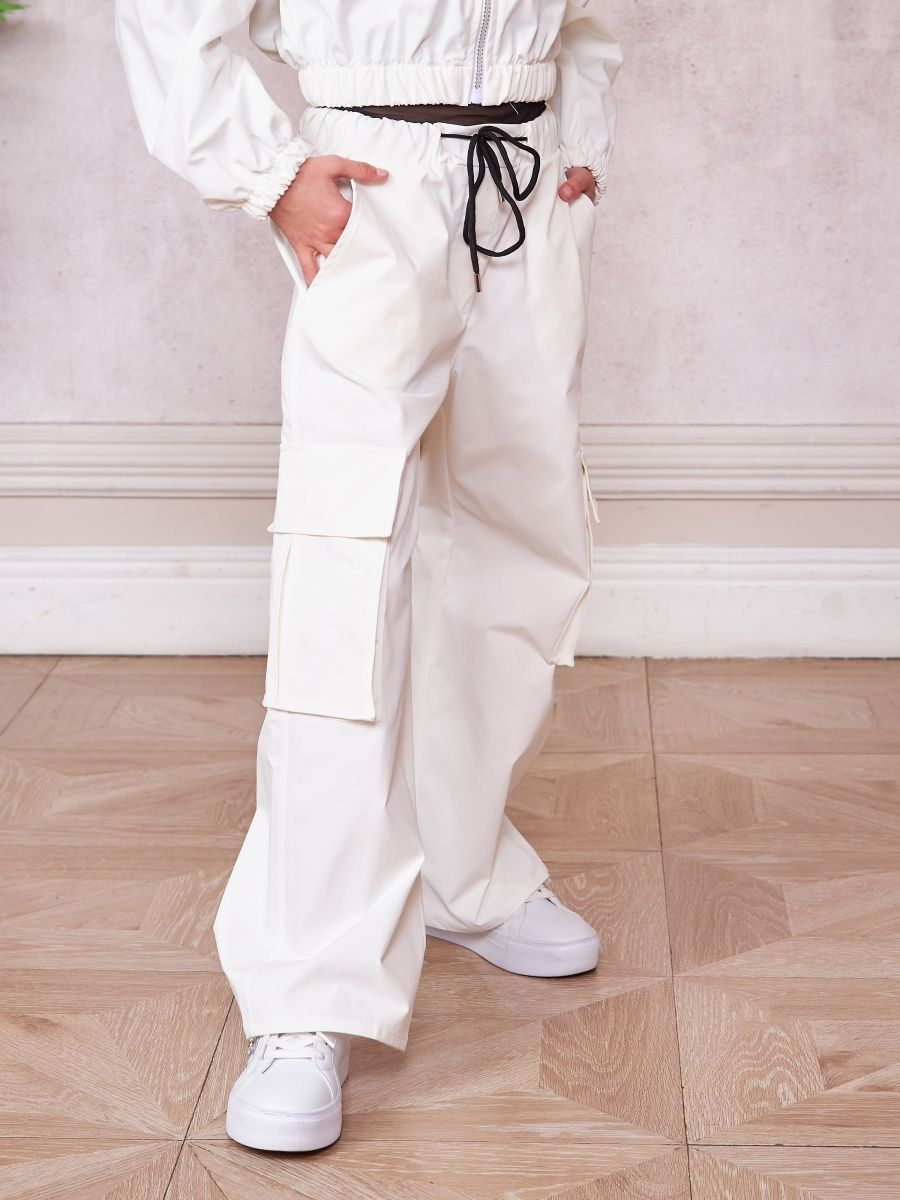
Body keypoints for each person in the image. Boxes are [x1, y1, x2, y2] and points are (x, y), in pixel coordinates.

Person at [115, 0, 622, 1153]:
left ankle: (464, 873)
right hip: (376, 180)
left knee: (518, 533)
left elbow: (586, 18)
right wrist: (269, 172)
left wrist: (581, 140)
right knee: (346, 561)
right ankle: (309, 986)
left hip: (527, 176)